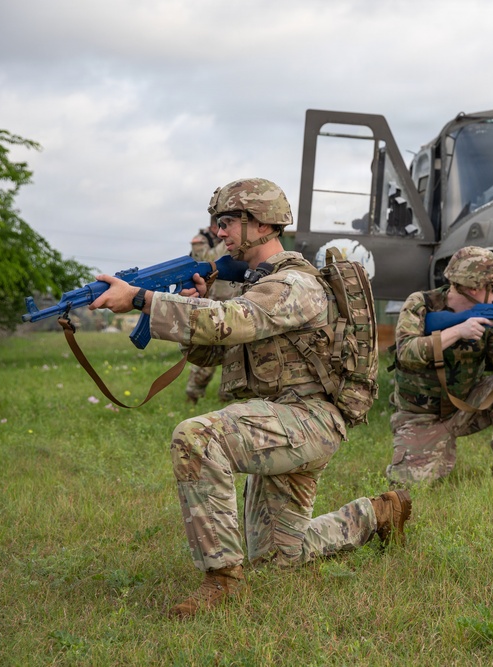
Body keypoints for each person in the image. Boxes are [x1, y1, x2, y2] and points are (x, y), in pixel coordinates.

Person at [89, 178, 411, 618]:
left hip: (309, 421)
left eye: (226, 222)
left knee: (198, 436)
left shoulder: (295, 284)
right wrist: (195, 305)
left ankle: (222, 580)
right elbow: (216, 347)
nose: (218, 233)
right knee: (280, 558)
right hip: (282, 422)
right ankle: (378, 514)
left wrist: (143, 299)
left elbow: (234, 321)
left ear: (259, 223)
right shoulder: (257, 285)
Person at [386, 247, 493, 484]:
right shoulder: (421, 304)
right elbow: (405, 353)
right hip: (420, 416)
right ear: (474, 287)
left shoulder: (491, 315)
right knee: (408, 485)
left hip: (466, 408)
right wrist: (457, 331)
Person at [184, 220, 240, 405]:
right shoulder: (203, 241)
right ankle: (193, 394)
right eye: (222, 227)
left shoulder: (225, 244)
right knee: (206, 359)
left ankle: (229, 395)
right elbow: (206, 262)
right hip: (211, 305)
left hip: (231, 305)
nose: (224, 232)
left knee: (234, 355)